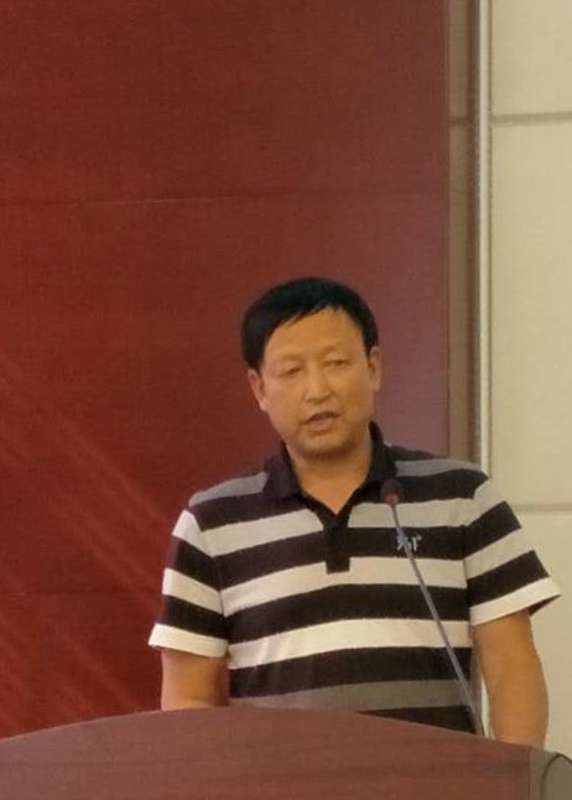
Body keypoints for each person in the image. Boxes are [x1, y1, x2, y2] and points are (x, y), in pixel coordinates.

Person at [149, 276, 559, 746]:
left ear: (374, 367)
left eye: (336, 363)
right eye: (291, 371)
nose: (317, 390)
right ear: (259, 388)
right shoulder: (211, 524)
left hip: (437, 781)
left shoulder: (463, 498)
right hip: (280, 781)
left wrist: (512, 779)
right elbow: (189, 698)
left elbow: (512, 667)